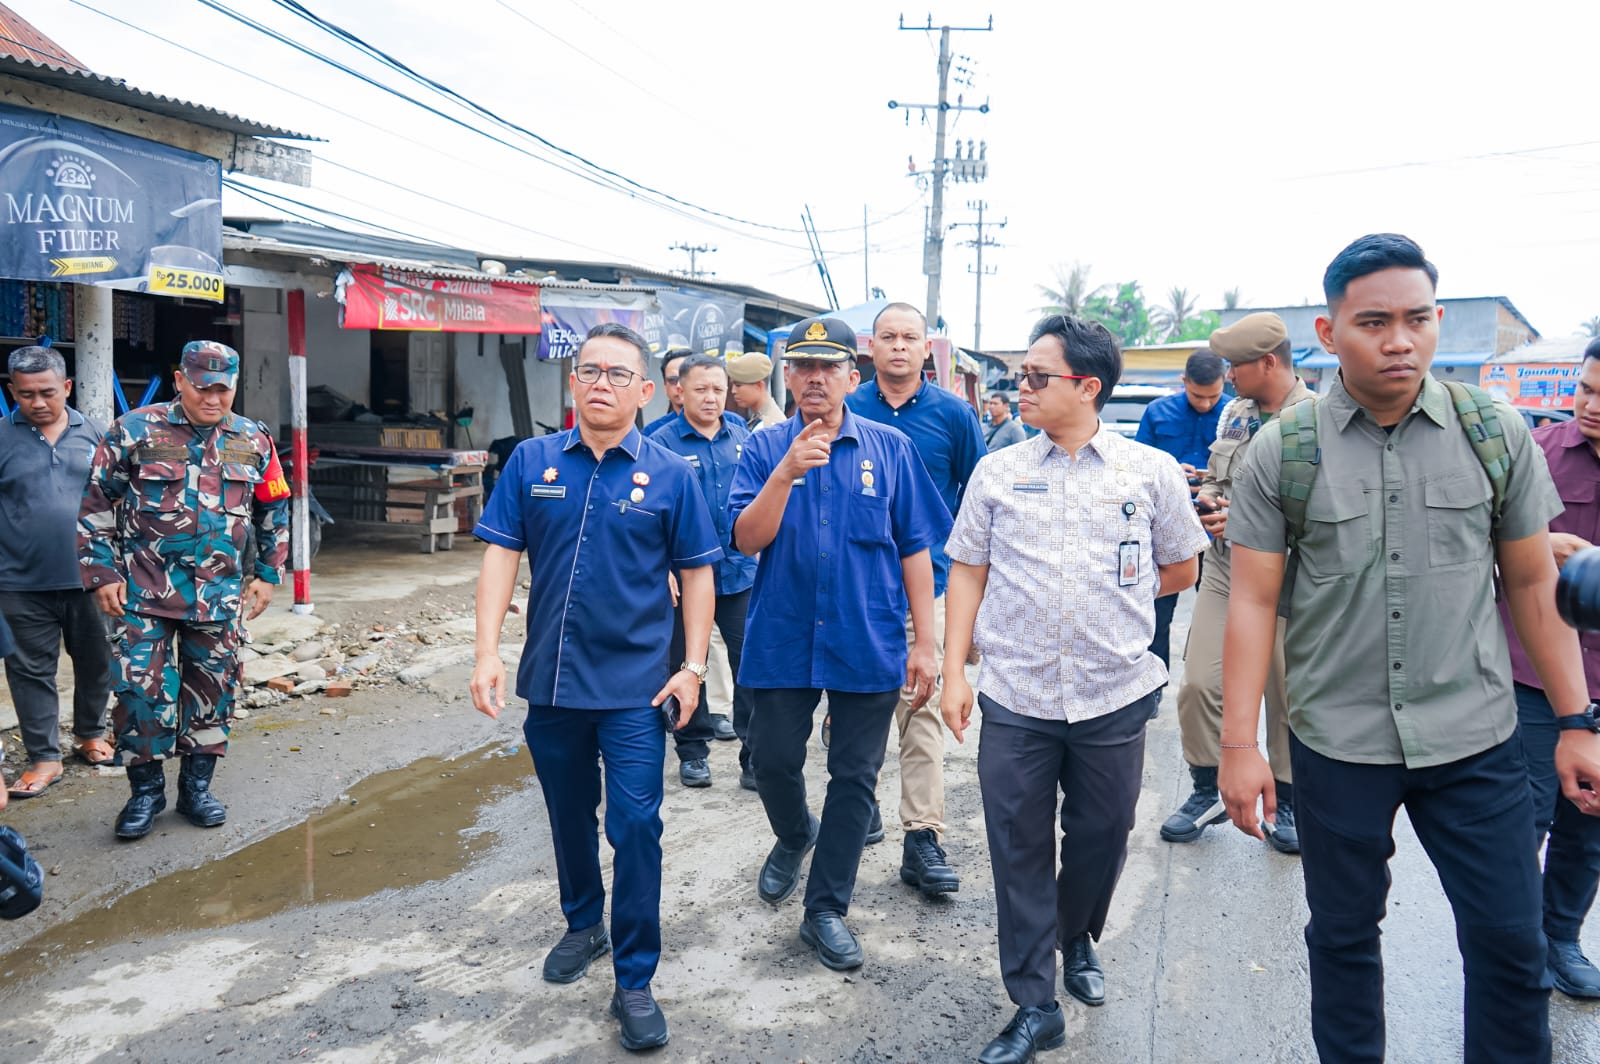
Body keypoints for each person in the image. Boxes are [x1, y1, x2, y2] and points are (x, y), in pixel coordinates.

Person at [1219, 234, 1600, 1063]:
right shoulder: (1285, 451)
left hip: (1476, 738)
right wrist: (1239, 745)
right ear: (1328, 332)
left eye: (1418, 319)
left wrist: (1576, 720)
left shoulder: (1494, 434)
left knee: (1510, 943)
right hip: (1338, 742)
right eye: (1375, 322)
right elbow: (1250, 601)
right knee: (1345, 940)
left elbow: (1534, 587)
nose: (1400, 340)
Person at [942, 314, 1208, 1064]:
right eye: (1019, 375)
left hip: (1114, 692)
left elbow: (1183, 565)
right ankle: (1034, 1000)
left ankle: (1078, 936)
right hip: (1017, 696)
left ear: (1086, 386)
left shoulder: (1147, 472)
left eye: (1035, 376)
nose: (1019, 387)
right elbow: (967, 568)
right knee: (1016, 844)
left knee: (1101, 834)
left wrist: (1111, 598)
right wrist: (957, 667)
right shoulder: (998, 470)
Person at [470, 322, 720, 1053]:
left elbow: (699, 570)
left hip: (638, 687)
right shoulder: (532, 464)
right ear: (571, 383)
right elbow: (500, 556)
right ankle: (584, 922)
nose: (601, 383)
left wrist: (694, 666)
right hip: (552, 680)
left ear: (646, 392)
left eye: (618, 374)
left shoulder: (673, 474)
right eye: (589, 371)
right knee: (567, 811)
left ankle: (635, 977)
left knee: (637, 825)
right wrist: (486, 652)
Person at [729, 314, 949, 971]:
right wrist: (786, 474)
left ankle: (825, 909)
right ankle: (794, 835)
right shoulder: (766, 447)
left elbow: (915, 548)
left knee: (854, 777)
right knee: (769, 760)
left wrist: (927, 644)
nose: (816, 378)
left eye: (830, 367)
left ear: (854, 377)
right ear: (787, 377)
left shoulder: (889, 449)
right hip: (782, 634)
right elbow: (747, 539)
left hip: (867, 635)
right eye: (804, 367)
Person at [78, 340, 289, 840]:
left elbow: (274, 507)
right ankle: (145, 794)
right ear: (179, 380)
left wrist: (268, 573)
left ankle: (197, 789)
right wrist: (102, 573)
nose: (213, 399)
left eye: (224, 388)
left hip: (218, 594)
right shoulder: (133, 430)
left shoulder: (252, 438)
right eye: (202, 387)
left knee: (213, 691)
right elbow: (94, 505)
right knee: (140, 692)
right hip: (142, 592)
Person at [847, 301, 985, 897]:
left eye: (910, 337)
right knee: (852, 706)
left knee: (922, 705)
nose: (899, 346)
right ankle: (856, 801)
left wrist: (977, 601)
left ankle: (922, 836)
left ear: (926, 348)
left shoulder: (954, 416)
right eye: (888, 337)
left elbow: (978, 505)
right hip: (854, 589)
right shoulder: (845, 410)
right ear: (870, 348)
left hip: (929, 585)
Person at [1162, 315, 1313, 852]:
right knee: (1199, 683)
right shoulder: (1235, 413)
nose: (1227, 376)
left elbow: (1326, 513)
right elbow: (1225, 481)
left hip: (1290, 578)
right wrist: (1205, 493)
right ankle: (1207, 788)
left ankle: (1288, 802)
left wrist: (1250, 519)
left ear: (1268, 363)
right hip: (1226, 570)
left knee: (1287, 695)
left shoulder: (1317, 421)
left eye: (1235, 366)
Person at [1498, 337, 1600, 1000]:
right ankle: (1513, 945)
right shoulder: (1540, 454)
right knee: (1523, 815)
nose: (1590, 407)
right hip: (1534, 674)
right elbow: (1486, 540)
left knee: (1591, 823)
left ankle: (1560, 936)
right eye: (1587, 389)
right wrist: (1534, 549)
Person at [0, 346, 113, 800]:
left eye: (48, 392)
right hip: (19, 582)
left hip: (90, 578)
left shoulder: (98, 436)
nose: (38, 403)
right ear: (12, 391)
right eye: (26, 394)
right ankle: (44, 757)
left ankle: (90, 733)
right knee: (29, 670)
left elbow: (116, 504)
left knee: (96, 661)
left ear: (67, 387)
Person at [648, 354, 758, 790]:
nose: (711, 398)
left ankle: (753, 757)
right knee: (684, 664)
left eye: (718, 389)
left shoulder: (741, 434)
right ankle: (693, 750)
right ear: (680, 391)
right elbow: (645, 511)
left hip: (738, 573)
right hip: (683, 576)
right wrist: (660, 567)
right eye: (700, 390)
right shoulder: (659, 442)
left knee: (750, 664)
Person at [1135, 348, 1226, 685]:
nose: (1205, 404)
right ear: (1183, 381)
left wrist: (1213, 478)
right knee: (1158, 610)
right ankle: (1154, 684)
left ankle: (1216, 683)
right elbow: (1138, 463)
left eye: (1212, 396)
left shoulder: (1237, 416)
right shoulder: (1158, 412)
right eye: (1197, 395)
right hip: (1166, 525)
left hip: (1216, 525)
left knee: (1218, 612)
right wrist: (1172, 471)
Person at [640, 348, 694, 436]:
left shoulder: (722, 422)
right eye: (673, 380)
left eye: (686, 378)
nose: (679, 385)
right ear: (665, 387)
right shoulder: (651, 434)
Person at [728, 352, 786, 431]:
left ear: (759, 385)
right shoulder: (760, 416)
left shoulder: (767, 426)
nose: (733, 391)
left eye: (738, 385)